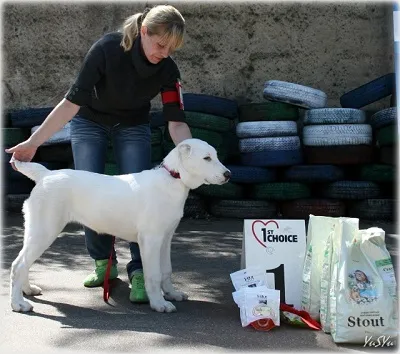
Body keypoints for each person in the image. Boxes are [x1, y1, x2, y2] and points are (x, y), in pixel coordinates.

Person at [5, 4, 192, 303]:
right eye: (160, 45)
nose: (164, 53)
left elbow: (176, 121)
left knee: (143, 201)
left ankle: (141, 271)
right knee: (87, 194)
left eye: (171, 48)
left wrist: (190, 153)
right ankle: (103, 264)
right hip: (89, 121)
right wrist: (33, 142)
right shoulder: (107, 49)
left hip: (133, 124)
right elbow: (70, 104)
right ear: (144, 31)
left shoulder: (168, 69)